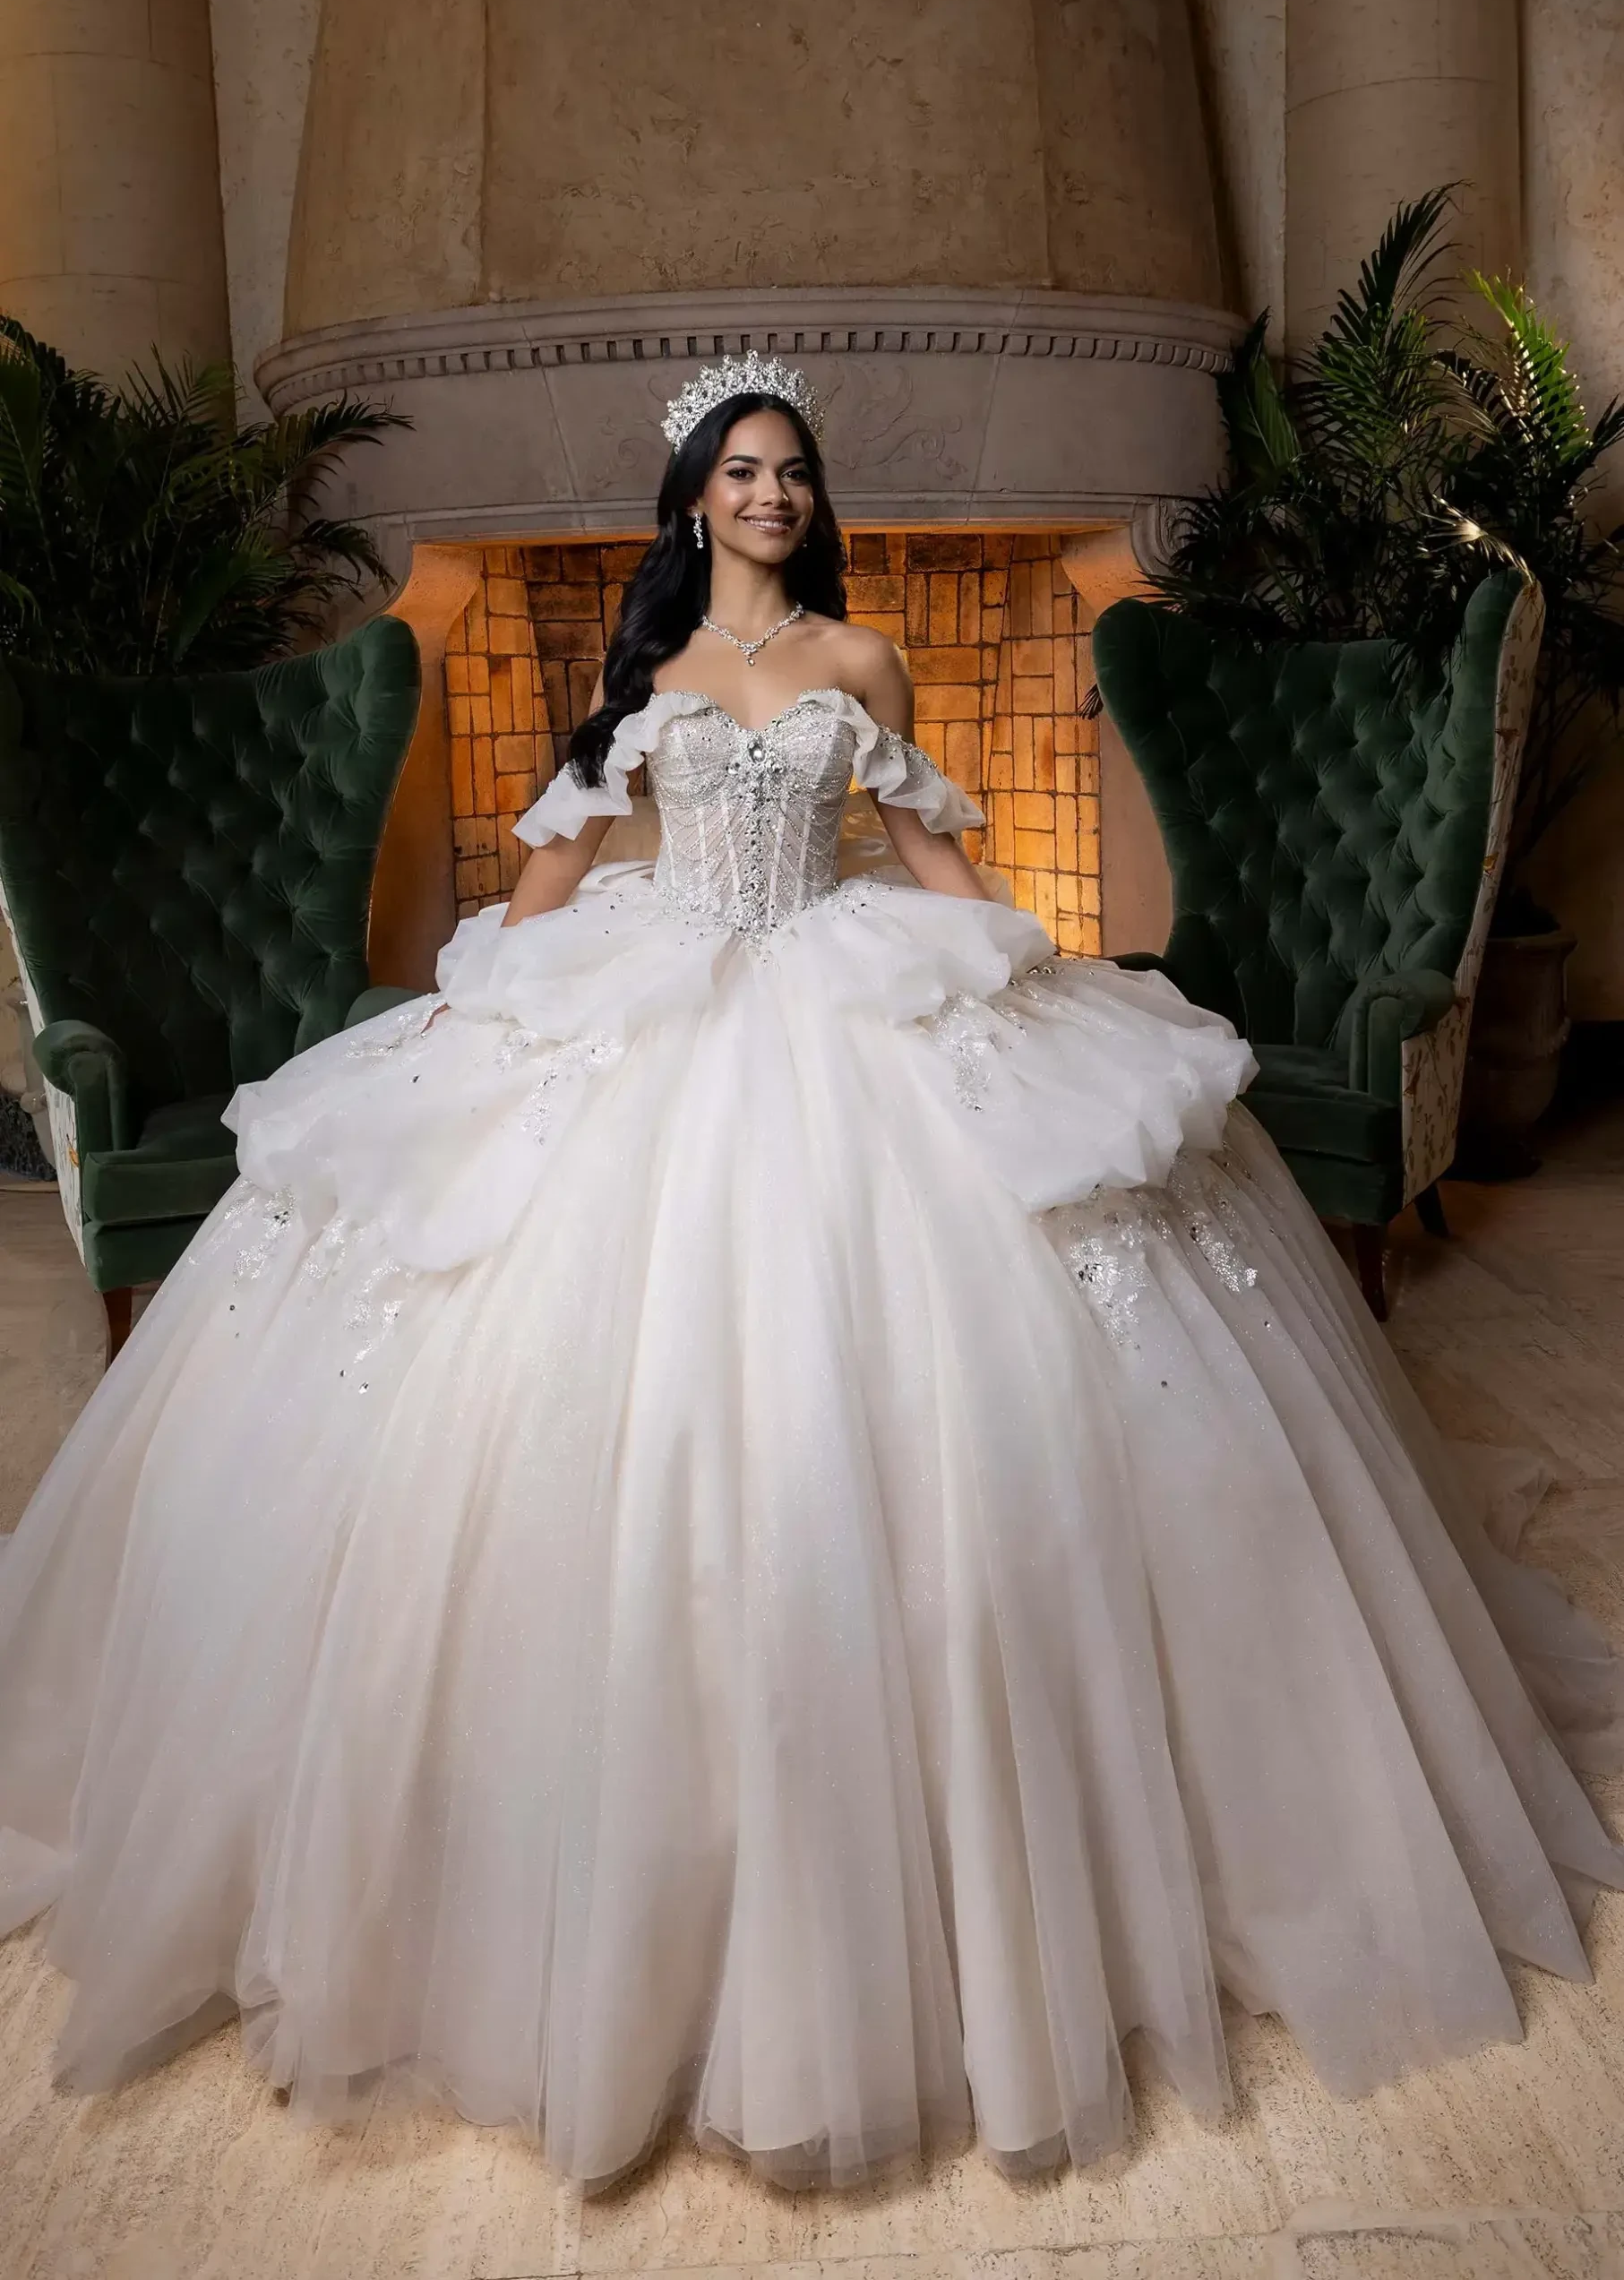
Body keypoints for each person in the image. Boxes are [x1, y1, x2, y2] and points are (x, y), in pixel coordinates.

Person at [0, 354, 1619, 2196]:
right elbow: (553, 878)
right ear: (693, 499)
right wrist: (495, 994)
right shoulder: (644, 677)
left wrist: (1030, 972)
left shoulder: (863, 661)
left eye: (791, 471)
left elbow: (925, 850)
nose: (771, 494)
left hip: (837, 978)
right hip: (665, 987)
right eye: (742, 471)